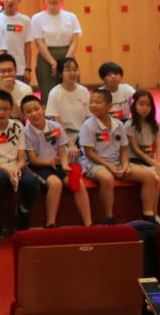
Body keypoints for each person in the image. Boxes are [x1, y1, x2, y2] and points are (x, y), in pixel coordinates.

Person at [81, 89, 160, 223]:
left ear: (109, 106)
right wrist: (109, 167)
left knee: (150, 177)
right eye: (91, 102)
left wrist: (125, 165)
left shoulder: (119, 124)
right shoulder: (87, 125)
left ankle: (148, 216)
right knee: (107, 179)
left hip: (117, 163)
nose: (93, 105)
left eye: (98, 102)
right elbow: (89, 153)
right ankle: (109, 218)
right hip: (94, 164)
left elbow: (124, 149)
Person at [22, 94, 92, 228]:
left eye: (36, 109)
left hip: (58, 165)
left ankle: (88, 224)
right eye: (29, 112)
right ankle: (50, 223)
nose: (34, 113)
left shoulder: (56, 127)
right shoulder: (25, 132)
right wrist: (49, 162)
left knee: (78, 182)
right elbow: (33, 159)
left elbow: (62, 151)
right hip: (39, 167)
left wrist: (65, 165)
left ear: (43, 108)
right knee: (55, 184)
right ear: (24, 115)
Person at [0, 90, 38, 236]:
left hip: (15, 165)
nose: (1, 112)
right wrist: (7, 170)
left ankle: (23, 213)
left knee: (31, 181)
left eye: (5, 108)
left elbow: (22, 158)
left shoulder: (17, 126)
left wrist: (17, 168)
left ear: (11, 109)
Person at [127, 90, 160, 224]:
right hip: (136, 162)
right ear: (134, 105)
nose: (145, 108)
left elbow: (158, 147)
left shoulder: (155, 125)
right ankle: (154, 215)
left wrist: (159, 164)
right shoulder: (130, 125)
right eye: (141, 104)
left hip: (151, 162)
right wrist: (154, 164)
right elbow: (136, 149)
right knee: (157, 180)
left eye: (148, 105)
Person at [31, 0, 81, 97]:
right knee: (49, 92)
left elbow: (74, 41)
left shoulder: (71, 17)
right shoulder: (37, 18)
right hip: (46, 59)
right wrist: (53, 63)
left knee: (71, 90)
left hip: (67, 55)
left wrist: (66, 62)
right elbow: (39, 43)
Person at [0, 0, 35, 83]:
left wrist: (28, 69)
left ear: (19, 0)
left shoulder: (25, 20)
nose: (10, 0)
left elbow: (27, 46)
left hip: (19, 69)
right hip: (0, 68)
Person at [46, 58, 90, 145]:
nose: (72, 73)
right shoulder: (55, 93)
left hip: (83, 134)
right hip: (62, 135)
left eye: (75, 70)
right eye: (68, 70)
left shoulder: (84, 91)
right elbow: (56, 123)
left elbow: (89, 118)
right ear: (60, 74)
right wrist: (70, 144)